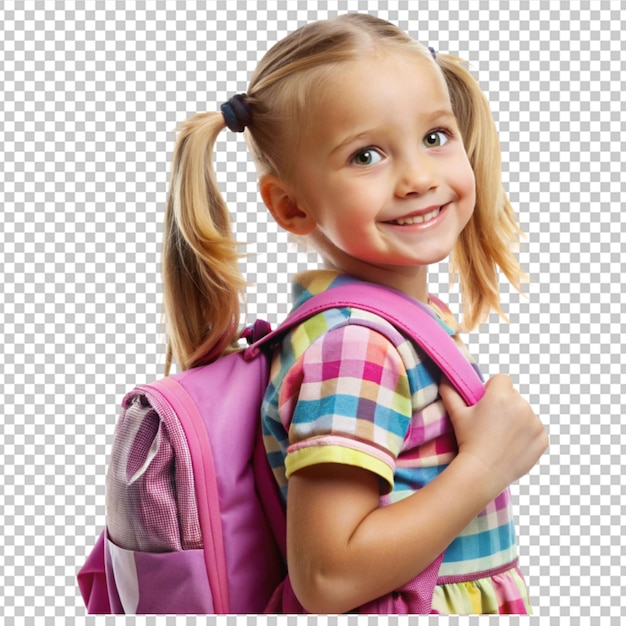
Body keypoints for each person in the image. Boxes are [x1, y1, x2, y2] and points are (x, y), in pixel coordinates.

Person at [161, 13, 549, 615]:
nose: (419, 177)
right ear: (291, 207)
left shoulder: (402, 326)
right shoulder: (357, 346)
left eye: (435, 137)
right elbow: (328, 578)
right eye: (366, 155)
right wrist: (485, 466)